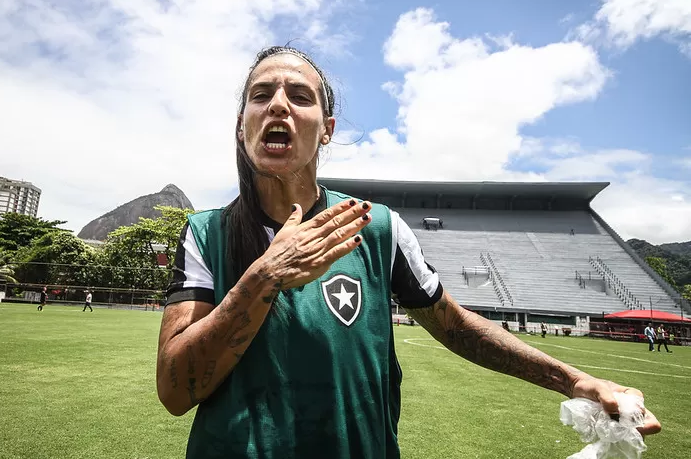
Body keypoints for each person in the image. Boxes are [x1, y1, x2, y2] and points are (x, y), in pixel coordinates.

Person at [155, 46, 660, 458]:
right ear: (243, 124)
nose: (278, 105)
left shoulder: (377, 228)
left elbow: (458, 327)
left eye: (300, 96)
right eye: (260, 95)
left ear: (327, 129)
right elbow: (175, 392)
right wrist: (262, 279)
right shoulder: (205, 234)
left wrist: (579, 381)